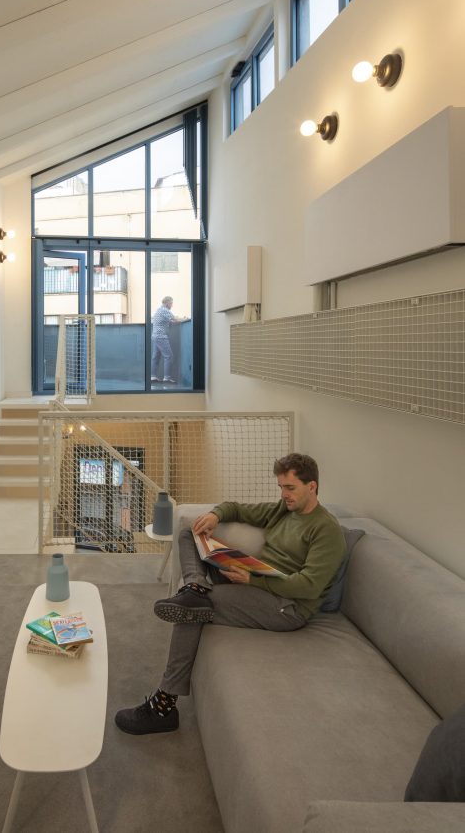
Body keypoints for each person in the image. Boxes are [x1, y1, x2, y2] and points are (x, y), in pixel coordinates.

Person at [115, 453, 346, 735]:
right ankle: (195, 586)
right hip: (255, 578)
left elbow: (308, 586)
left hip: (286, 606)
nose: (284, 494)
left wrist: (252, 580)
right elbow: (237, 509)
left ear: (312, 487)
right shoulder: (285, 510)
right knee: (189, 534)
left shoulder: (326, 530)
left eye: (290, 488)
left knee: (192, 610)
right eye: (281, 487)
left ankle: (163, 706)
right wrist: (216, 515)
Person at [150, 296, 188, 383]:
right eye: (171, 303)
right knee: (169, 356)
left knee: (156, 357)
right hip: (161, 336)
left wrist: (178, 319)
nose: (172, 305)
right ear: (167, 303)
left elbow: (172, 320)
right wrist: (185, 319)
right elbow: (175, 319)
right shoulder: (165, 310)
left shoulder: (159, 310)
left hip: (155, 336)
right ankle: (167, 378)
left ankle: (152, 376)